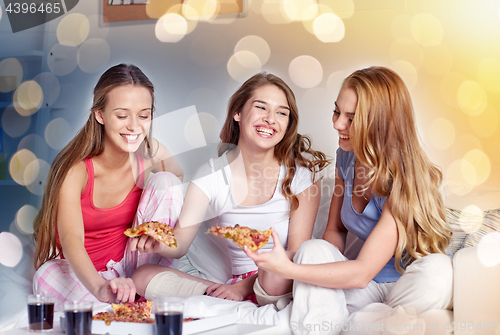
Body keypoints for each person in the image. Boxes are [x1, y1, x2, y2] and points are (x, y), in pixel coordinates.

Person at [246, 66, 454, 333]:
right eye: (336, 112)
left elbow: (362, 272)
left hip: (408, 285)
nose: (337, 124)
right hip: (367, 287)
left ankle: (362, 322)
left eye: (351, 119)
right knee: (311, 250)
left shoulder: (406, 180)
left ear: (380, 123)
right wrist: (321, 266)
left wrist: (288, 269)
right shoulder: (346, 156)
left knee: (438, 271)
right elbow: (335, 230)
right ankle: (368, 324)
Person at [130, 72, 329, 305]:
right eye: (261, 107)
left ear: (287, 125)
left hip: (279, 277)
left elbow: (295, 253)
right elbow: (180, 243)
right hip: (233, 283)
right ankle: (222, 299)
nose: (270, 119)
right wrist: (160, 243)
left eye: (281, 113)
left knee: (275, 272)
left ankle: (229, 300)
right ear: (238, 113)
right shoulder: (212, 174)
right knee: (142, 276)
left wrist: (243, 288)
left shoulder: (302, 176)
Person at [33, 64, 184, 310]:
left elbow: (176, 181)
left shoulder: (151, 153)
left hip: (134, 264)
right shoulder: (75, 170)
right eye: (122, 115)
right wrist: (99, 287)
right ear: (100, 115)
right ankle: (119, 302)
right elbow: (72, 241)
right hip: (85, 274)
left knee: (168, 181)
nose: (134, 126)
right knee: (46, 274)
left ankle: (147, 284)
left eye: (143, 115)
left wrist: (151, 226)